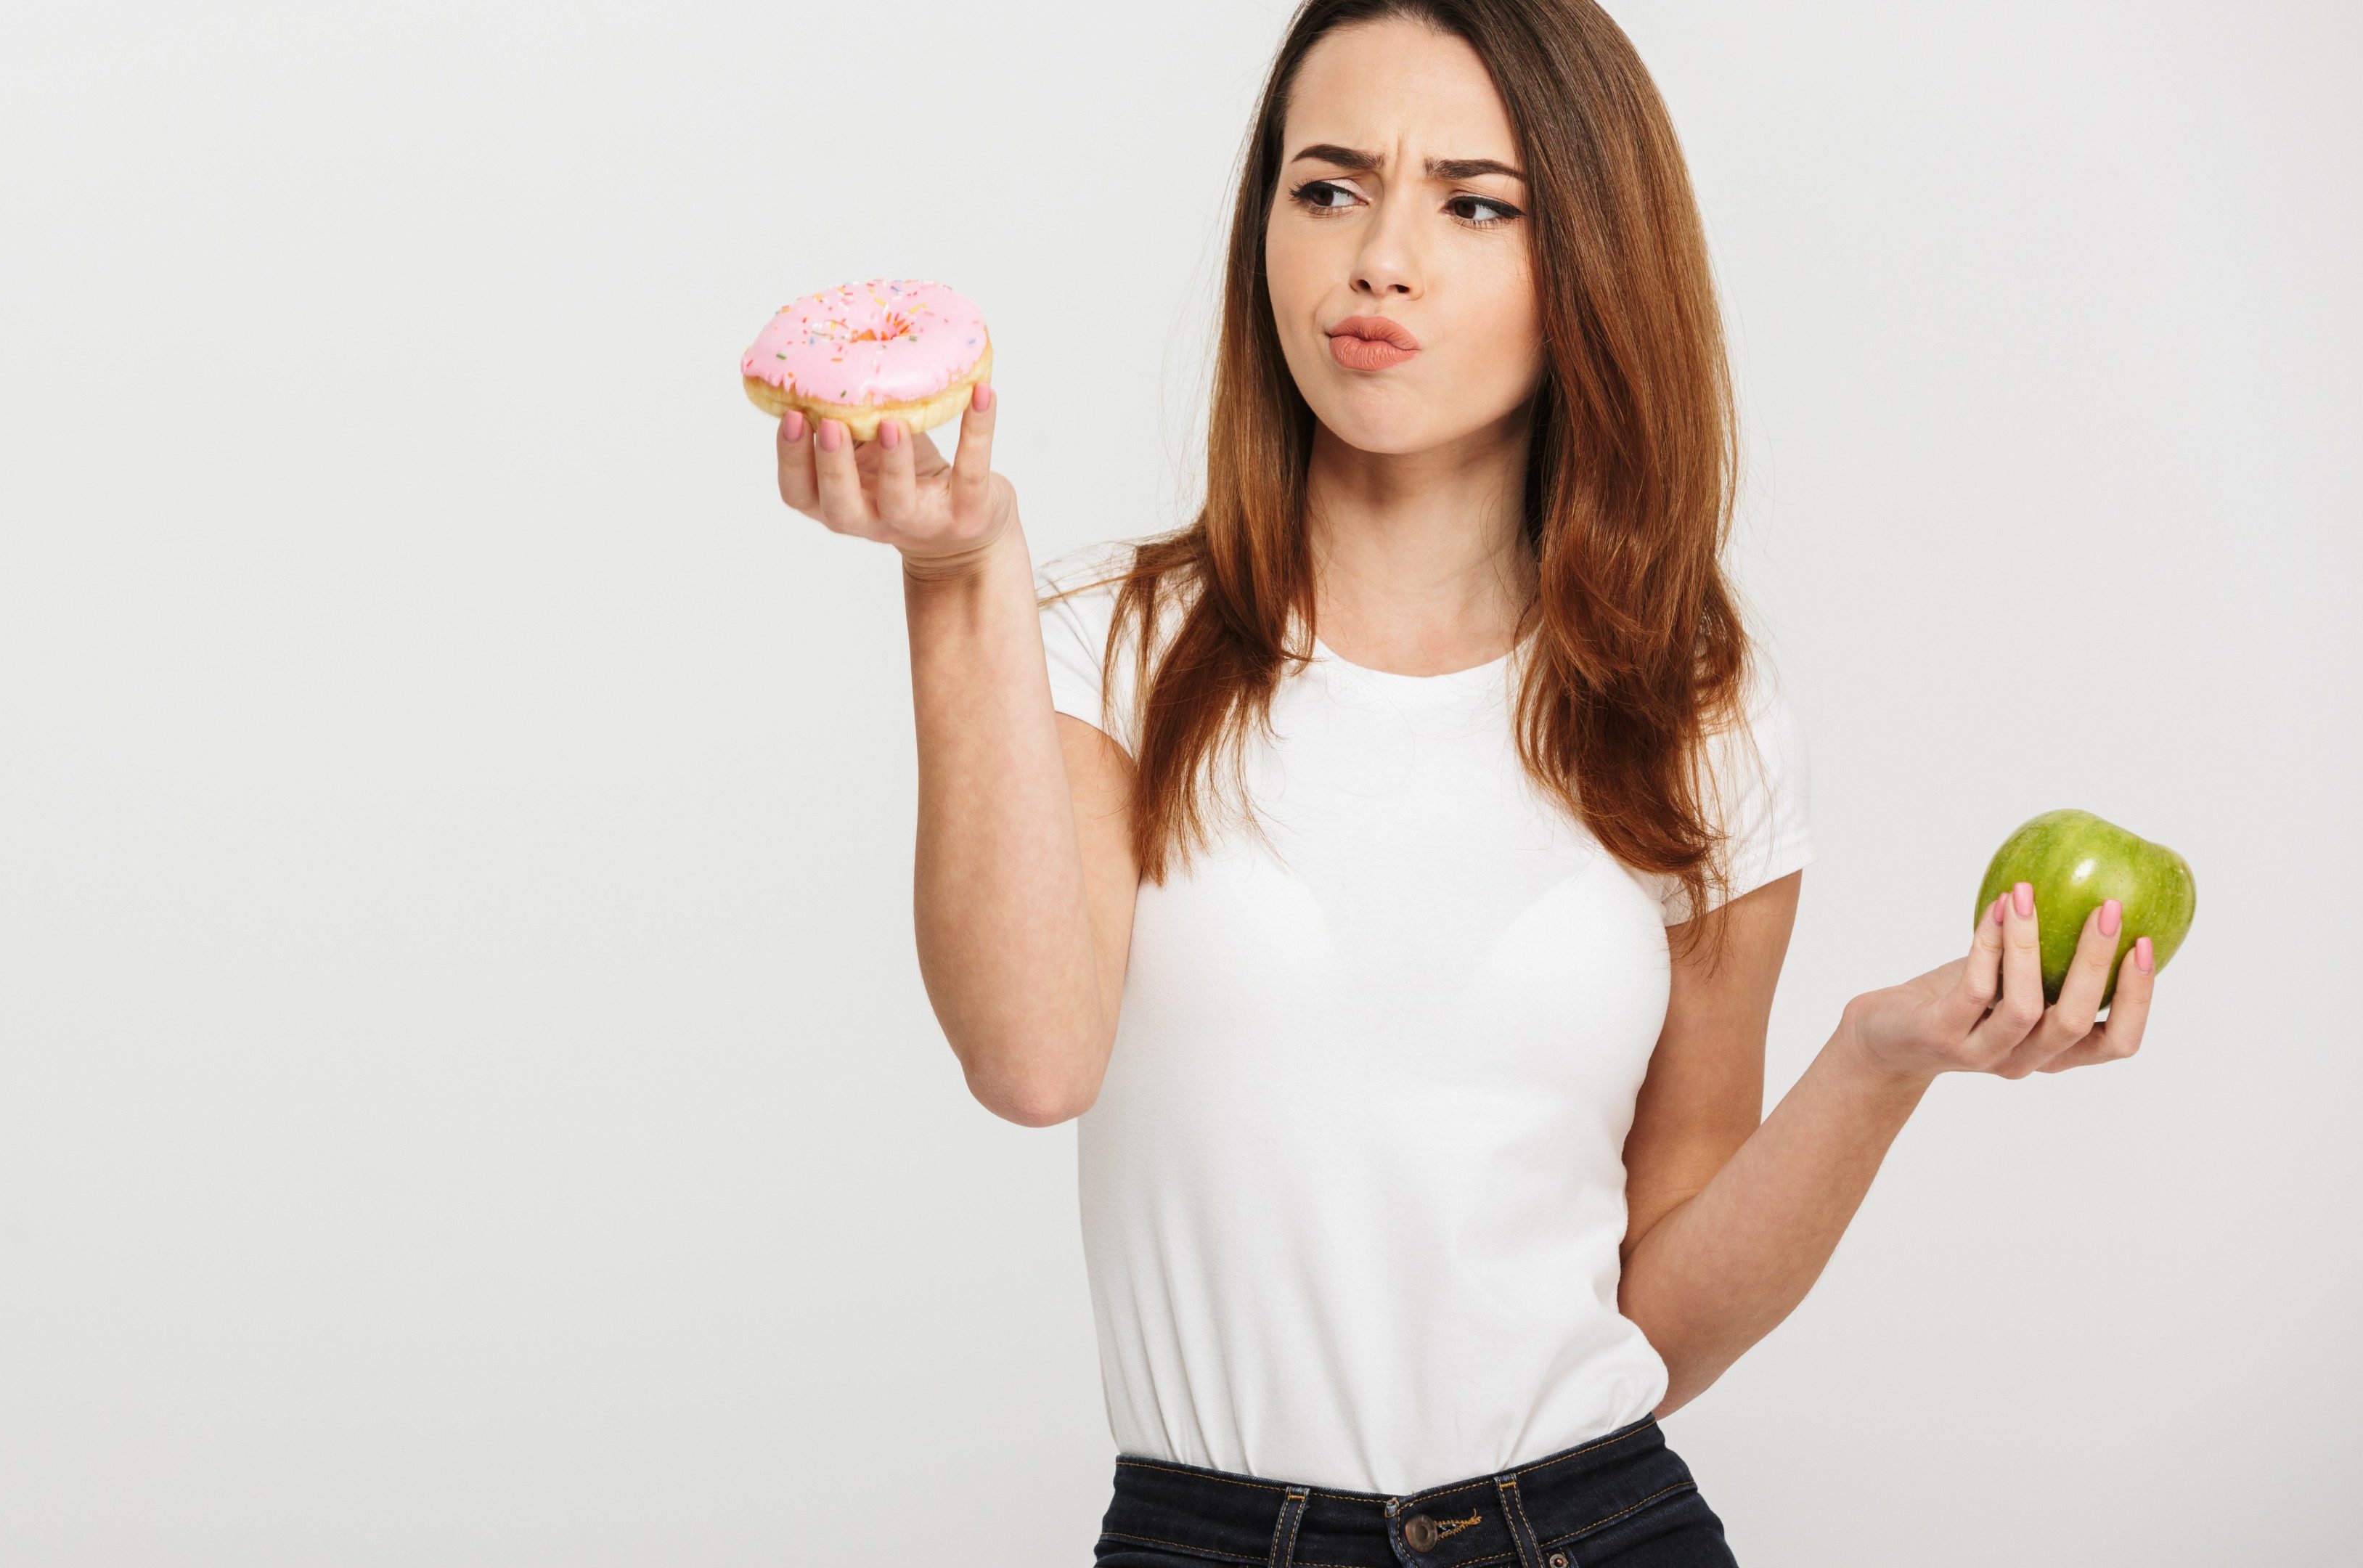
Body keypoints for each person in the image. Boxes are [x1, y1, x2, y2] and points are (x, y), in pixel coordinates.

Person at [763, 1, 2163, 1561]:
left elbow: (1659, 1326)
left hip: (1595, 1524)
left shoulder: (1697, 704)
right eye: (1329, 187)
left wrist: (1878, 1062)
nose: (1381, 255)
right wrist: (960, 576)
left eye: (1475, 202)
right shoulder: (1112, 644)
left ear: (1592, 271)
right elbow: (1032, 1065)